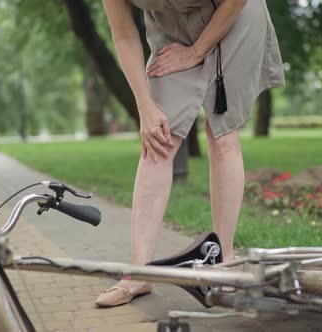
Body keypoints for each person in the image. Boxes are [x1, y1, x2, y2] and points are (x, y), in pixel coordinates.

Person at [95, 0, 285, 307]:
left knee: (221, 134)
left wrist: (197, 52)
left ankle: (223, 263)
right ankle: (137, 273)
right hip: (171, 31)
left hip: (233, 19)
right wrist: (144, 105)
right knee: (158, 139)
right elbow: (124, 35)